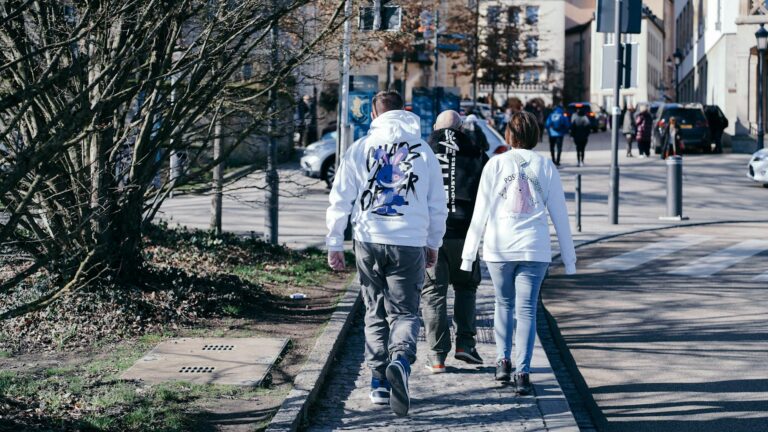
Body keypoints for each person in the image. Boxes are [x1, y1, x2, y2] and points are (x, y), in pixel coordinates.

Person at [326, 90, 447, 417]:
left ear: (374, 115)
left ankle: (379, 381)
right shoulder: (423, 151)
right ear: (404, 111)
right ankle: (401, 359)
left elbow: (340, 197)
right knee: (405, 312)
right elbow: (438, 205)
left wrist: (335, 242)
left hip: (368, 239)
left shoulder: (360, 148)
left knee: (374, 309)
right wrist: (433, 243)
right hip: (409, 240)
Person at [460, 111, 576, 395]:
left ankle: (502, 362)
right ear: (536, 135)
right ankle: (522, 372)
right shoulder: (545, 166)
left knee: (503, 304)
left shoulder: (495, 164)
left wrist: (468, 253)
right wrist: (569, 259)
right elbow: (560, 215)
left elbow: (480, 212)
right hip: (534, 248)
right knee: (526, 310)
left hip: (499, 247)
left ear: (509, 134)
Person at [422, 110, 489, 374]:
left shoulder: (423, 151)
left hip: (432, 235)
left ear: (435, 128)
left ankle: (437, 357)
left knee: (433, 293)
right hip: (465, 233)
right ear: (461, 129)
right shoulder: (476, 153)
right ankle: (465, 344)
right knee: (466, 287)